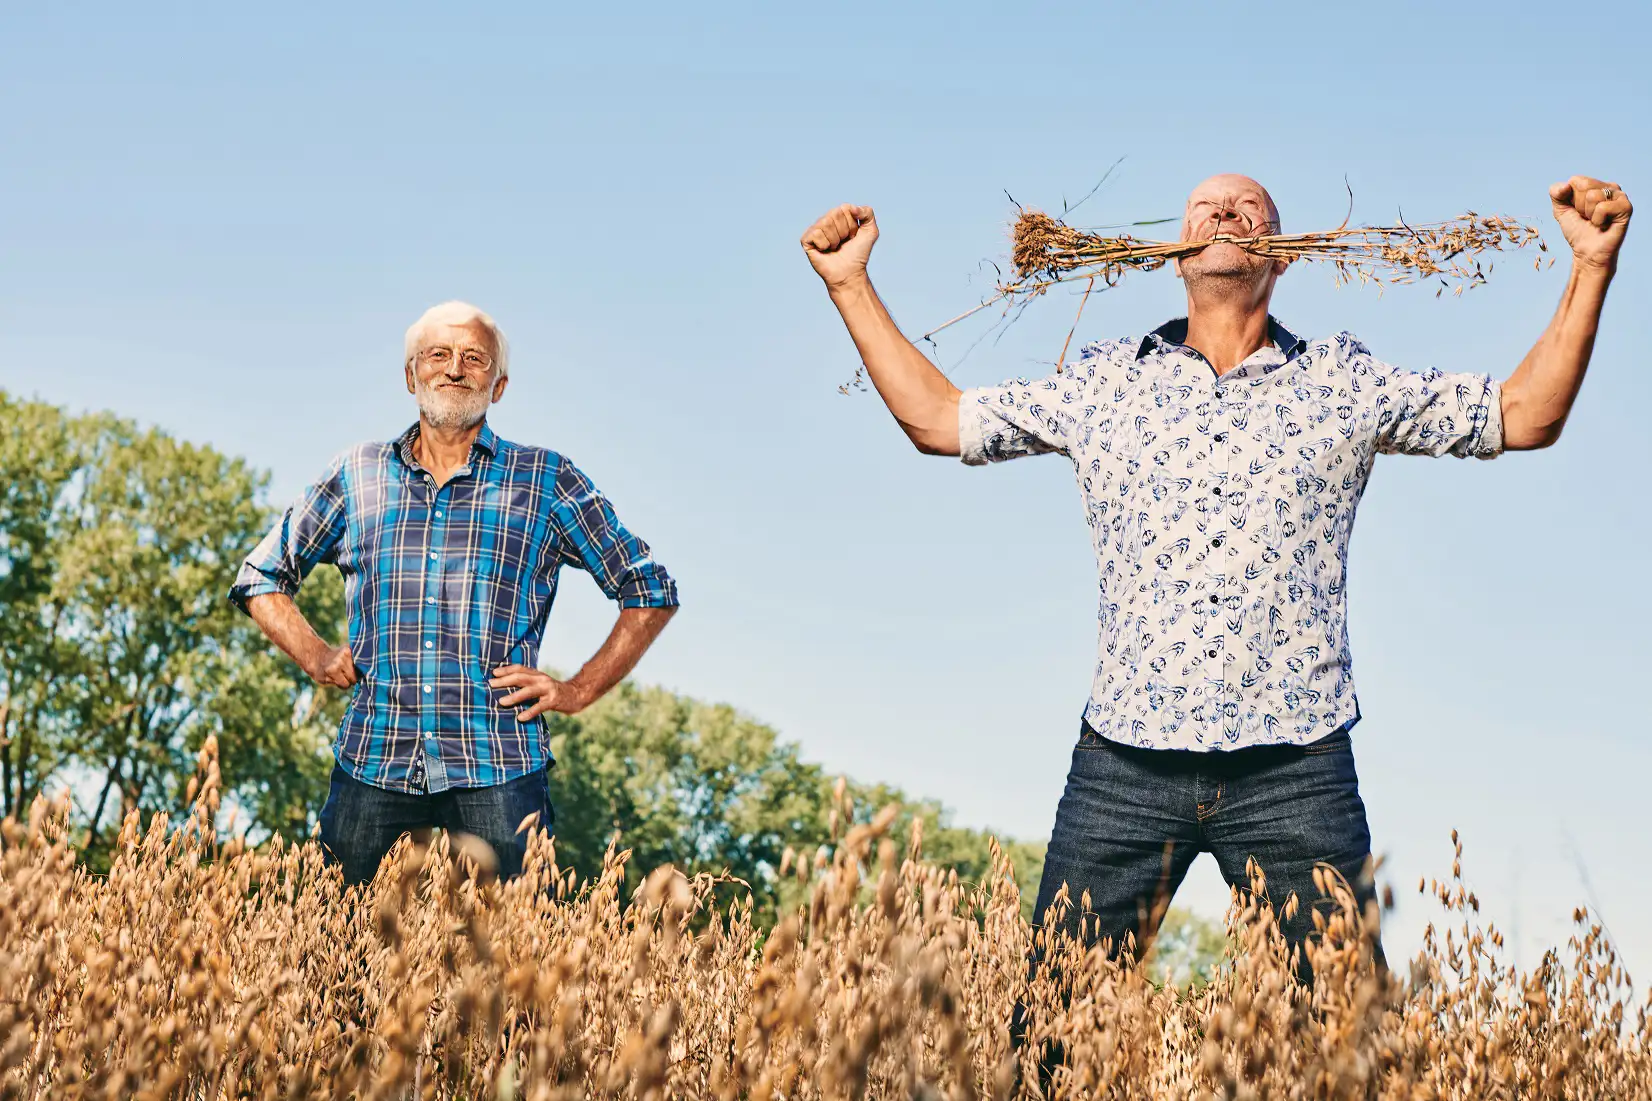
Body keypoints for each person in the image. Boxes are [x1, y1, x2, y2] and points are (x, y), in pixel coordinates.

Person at [800, 174, 1631, 972]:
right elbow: (941, 421)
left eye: (1246, 206)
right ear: (1176, 249)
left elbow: (1524, 414)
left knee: (1353, 1046)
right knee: (1053, 1037)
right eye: (1204, 207)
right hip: (1123, 762)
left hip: (1296, 764)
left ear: (1283, 250)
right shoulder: (1105, 380)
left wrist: (1591, 266)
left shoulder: (1344, 379)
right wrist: (849, 284)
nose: (1224, 214)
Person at [229, 301, 679, 884]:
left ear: (500, 385)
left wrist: (577, 690)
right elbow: (260, 576)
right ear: (410, 375)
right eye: (437, 355)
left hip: (501, 765)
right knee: (334, 950)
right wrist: (316, 654)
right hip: (374, 758)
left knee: (513, 961)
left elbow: (649, 588)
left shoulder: (544, 478)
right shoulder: (356, 473)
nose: (455, 368)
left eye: (475, 359)